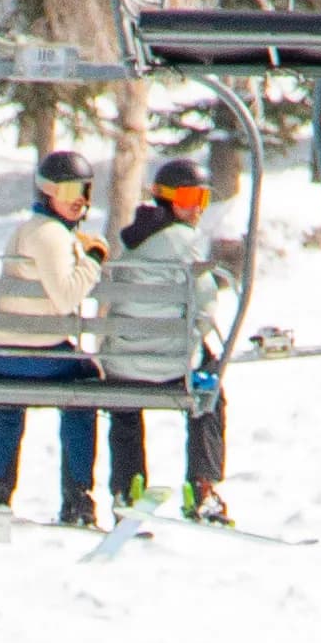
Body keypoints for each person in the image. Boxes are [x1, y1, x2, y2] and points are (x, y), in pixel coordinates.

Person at [102, 154, 235, 525]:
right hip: (170, 365)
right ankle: (202, 486)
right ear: (168, 198)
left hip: (123, 363)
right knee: (209, 387)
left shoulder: (131, 239)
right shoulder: (186, 241)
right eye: (190, 199)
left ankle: (127, 488)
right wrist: (192, 339)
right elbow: (206, 306)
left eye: (202, 199)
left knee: (124, 402)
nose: (197, 209)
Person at [0, 147, 108, 527]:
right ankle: (77, 495)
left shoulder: (33, 230)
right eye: (68, 191)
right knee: (84, 388)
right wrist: (94, 260)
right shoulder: (50, 235)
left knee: (7, 403)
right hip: (36, 357)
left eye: (84, 190)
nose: (79, 200)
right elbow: (66, 296)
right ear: (47, 192)